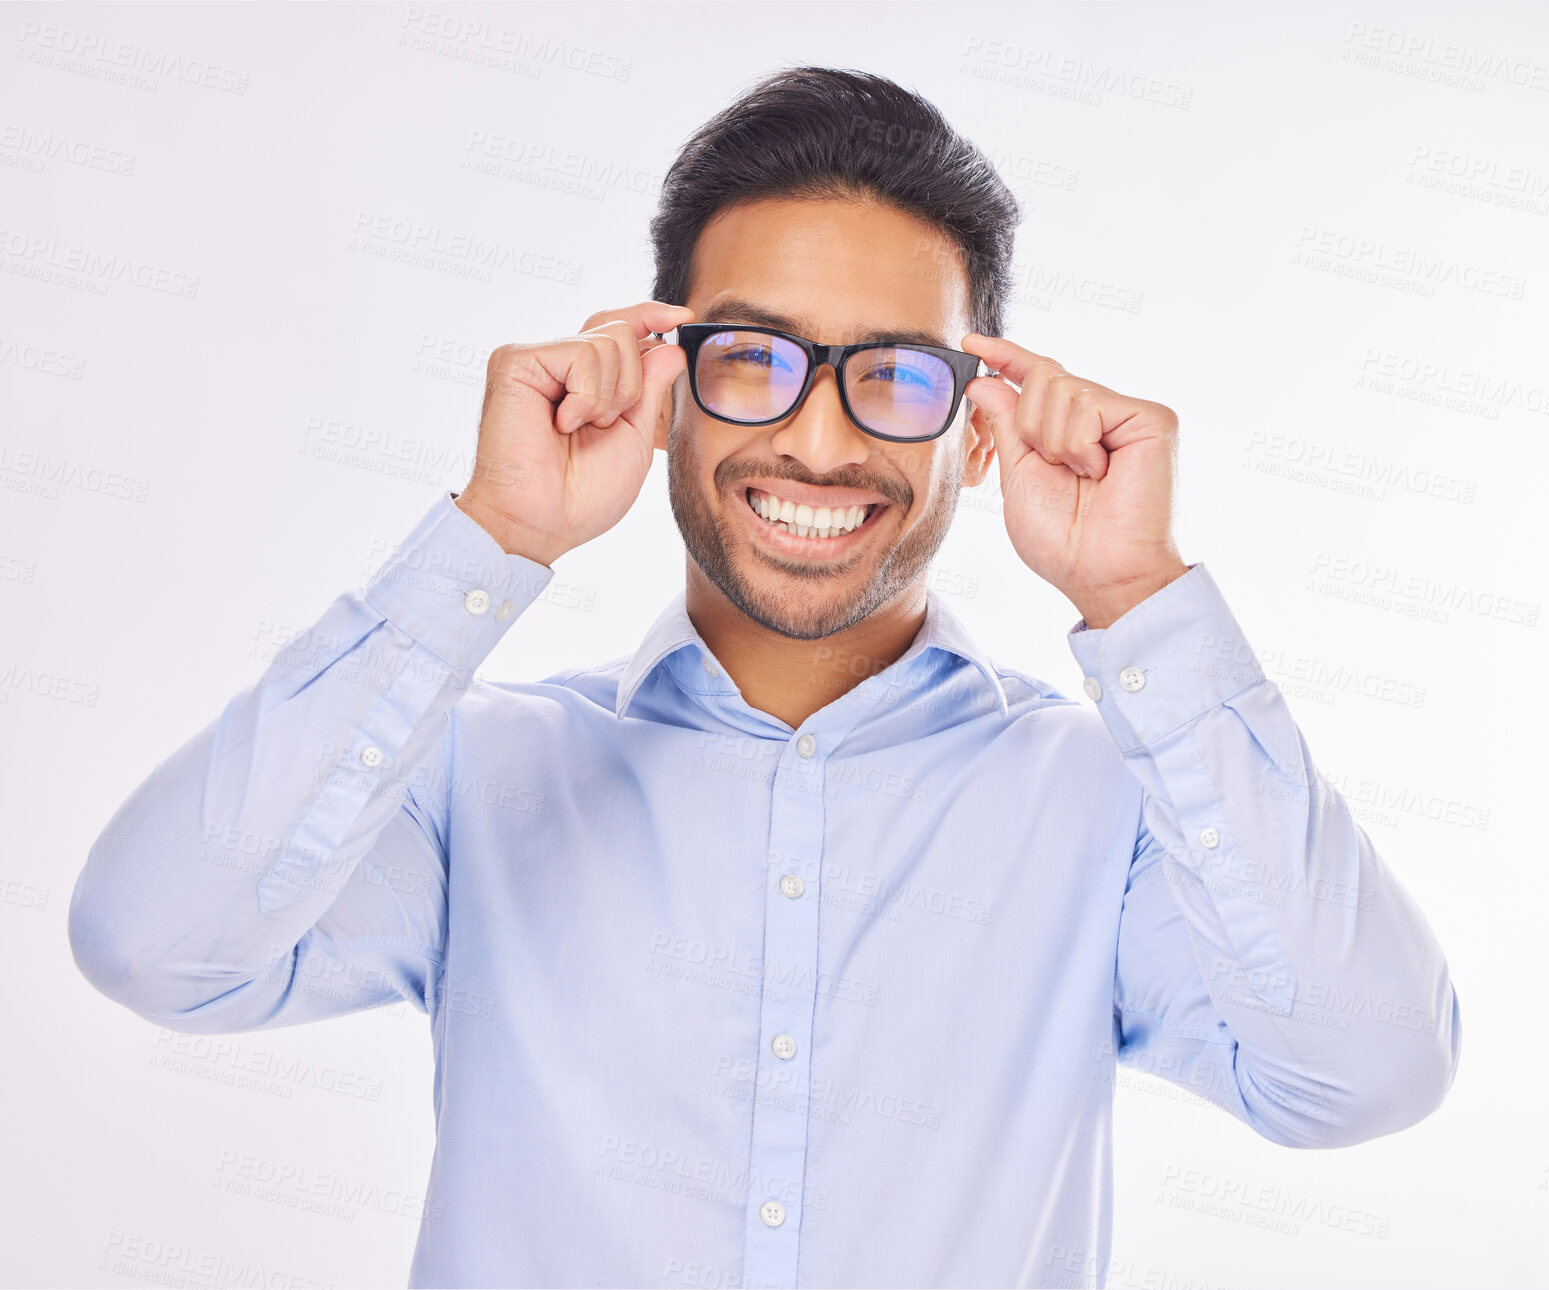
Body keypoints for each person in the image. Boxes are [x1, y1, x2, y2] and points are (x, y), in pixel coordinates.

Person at [68, 65, 1461, 1290]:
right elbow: (155, 941)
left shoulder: (1105, 803)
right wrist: (491, 537)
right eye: (753, 359)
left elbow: (1366, 1071)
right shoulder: (477, 771)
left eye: (895, 377)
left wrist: (1134, 597)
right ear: (663, 388)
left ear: (978, 435)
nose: (815, 439)